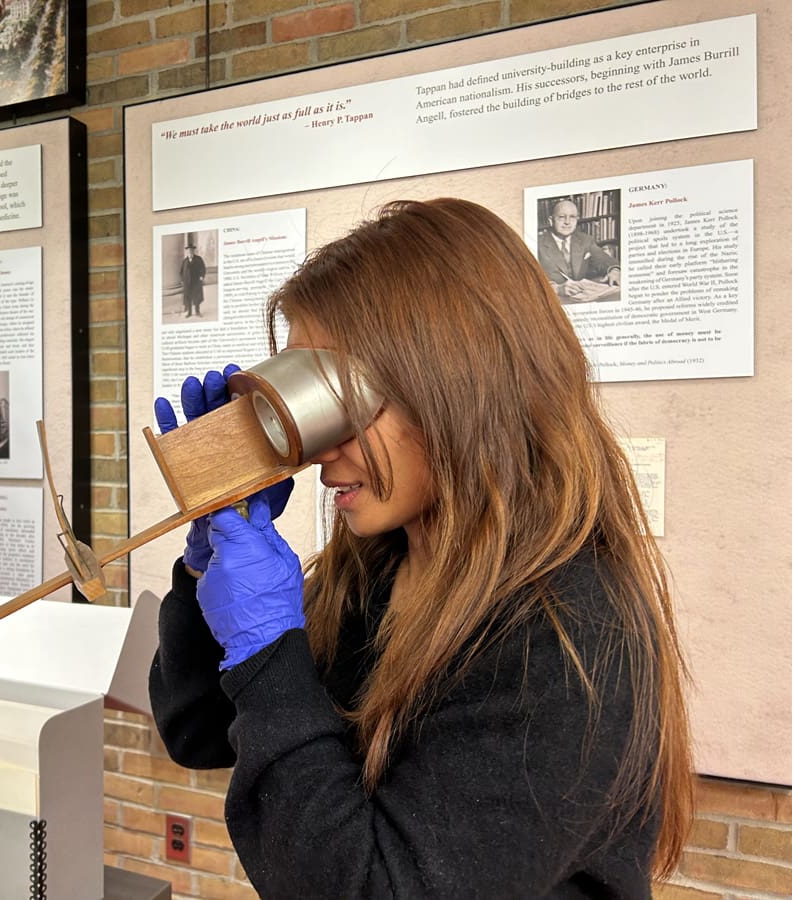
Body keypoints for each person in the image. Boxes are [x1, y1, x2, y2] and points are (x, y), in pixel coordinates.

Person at [149, 198, 693, 898]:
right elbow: (197, 731)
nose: (319, 451)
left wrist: (266, 650)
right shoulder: (380, 571)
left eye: (340, 402)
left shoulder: (566, 635)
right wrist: (205, 570)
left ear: (457, 387)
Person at [537, 198, 621, 303]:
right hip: (553, 301)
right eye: (562, 217)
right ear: (551, 221)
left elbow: (603, 259)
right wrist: (557, 289)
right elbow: (530, 281)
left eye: (572, 217)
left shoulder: (585, 240)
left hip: (583, 299)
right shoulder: (537, 244)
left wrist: (615, 271)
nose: (567, 222)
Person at [179, 241, 205, 317]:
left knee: (196, 297)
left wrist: (201, 276)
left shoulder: (198, 259)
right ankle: (189, 312)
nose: (190, 252)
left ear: (193, 251)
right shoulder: (185, 261)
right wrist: (182, 280)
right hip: (187, 283)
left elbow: (203, 268)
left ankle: (197, 312)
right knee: (188, 297)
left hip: (196, 281)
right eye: (188, 251)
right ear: (187, 252)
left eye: (191, 250)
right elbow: (181, 271)